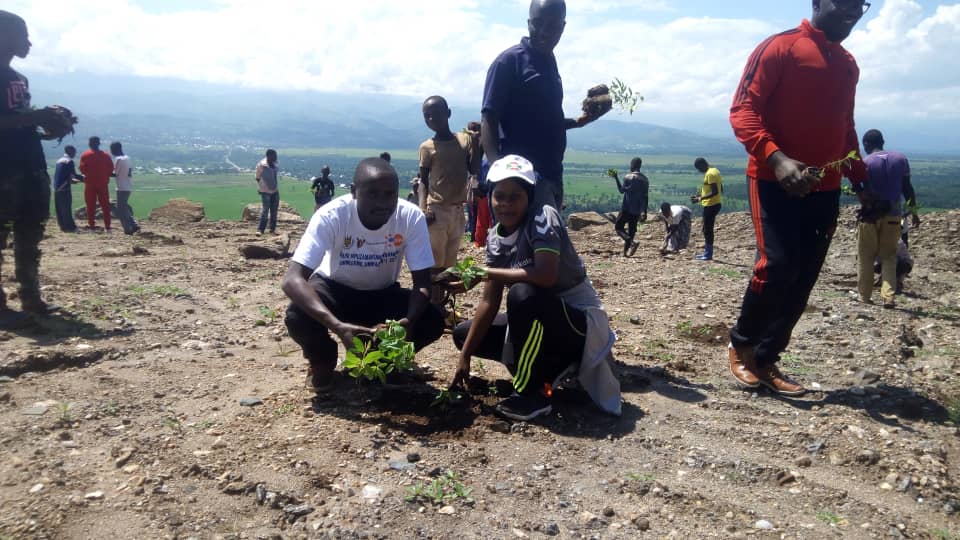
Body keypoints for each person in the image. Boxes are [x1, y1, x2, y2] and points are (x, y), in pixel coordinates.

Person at [726, 0, 869, 396]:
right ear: (819, 2)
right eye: (845, 4)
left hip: (825, 188)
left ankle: (767, 357)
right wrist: (778, 158)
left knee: (803, 276)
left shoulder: (847, 63)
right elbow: (743, 110)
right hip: (774, 181)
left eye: (861, 6)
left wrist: (860, 179)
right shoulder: (779, 48)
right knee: (777, 265)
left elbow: (846, 127)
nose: (854, 12)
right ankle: (742, 345)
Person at [450, 155, 621, 421]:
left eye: (515, 196)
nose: (506, 204)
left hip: (578, 323)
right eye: (500, 196)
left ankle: (533, 394)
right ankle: (547, 372)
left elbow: (545, 276)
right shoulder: (496, 238)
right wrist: (465, 357)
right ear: (490, 198)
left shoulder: (543, 218)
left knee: (522, 293)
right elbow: (489, 301)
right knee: (464, 333)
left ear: (529, 197)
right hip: (542, 322)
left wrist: (482, 272)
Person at [282, 158, 444, 395]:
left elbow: (422, 281)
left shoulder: (410, 216)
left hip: (383, 294)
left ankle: (384, 361)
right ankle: (322, 361)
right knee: (298, 314)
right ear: (354, 192)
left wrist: (408, 321)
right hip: (336, 290)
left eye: (389, 194)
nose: (382, 202)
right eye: (373, 194)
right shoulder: (332, 215)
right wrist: (337, 326)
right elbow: (292, 279)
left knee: (432, 318)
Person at [481, 0, 608, 210]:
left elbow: (545, 119)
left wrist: (578, 121)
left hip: (551, 172)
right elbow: (489, 118)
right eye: (537, 24)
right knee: (532, 241)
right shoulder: (509, 62)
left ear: (563, 27)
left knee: (545, 239)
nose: (544, 32)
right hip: (521, 177)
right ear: (528, 22)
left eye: (552, 26)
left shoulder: (549, 61)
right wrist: (501, 174)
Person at [0, 10, 73, 318]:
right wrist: (35, 116)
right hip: (4, 168)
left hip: (30, 164)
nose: (29, 42)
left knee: (31, 231)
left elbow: (16, 121)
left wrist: (48, 127)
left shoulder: (19, 78)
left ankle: (31, 297)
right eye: (22, 34)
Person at [418, 96, 480, 304]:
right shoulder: (427, 147)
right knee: (435, 263)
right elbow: (423, 181)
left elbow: (474, 169)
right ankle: (434, 306)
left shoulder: (464, 140)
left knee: (450, 262)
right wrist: (422, 208)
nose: (431, 118)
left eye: (436, 113)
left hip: (457, 210)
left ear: (448, 114)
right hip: (436, 209)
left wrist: (477, 142)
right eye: (427, 115)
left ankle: (442, 305)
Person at [858, 129, 919, 307]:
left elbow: (861, 191)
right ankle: (888, 296)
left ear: (866, 144)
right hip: (894, 215)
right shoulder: (900, 159)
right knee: (889, 256)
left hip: (870, 216)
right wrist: (913, 212)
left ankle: (865, 296)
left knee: (866, 255)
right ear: (883, 141)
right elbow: (908, 189)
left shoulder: (865, 162)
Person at [609, 157, 648, 257]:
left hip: (626, 208)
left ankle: (632, 243)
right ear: (639, 166)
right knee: (631, 231)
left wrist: (616, 177)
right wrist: (644, 212)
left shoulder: (628, 177)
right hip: (637, 210)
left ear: (632, 165)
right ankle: (625, 253)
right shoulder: (645, 179)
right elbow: (645, 197)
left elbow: (621, 190)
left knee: (618, 228)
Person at [78, 136, 114, 231]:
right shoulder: (106, 156)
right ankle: (107, 226)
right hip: (103, 184)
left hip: (90, 184)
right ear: (99, 143)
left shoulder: (85, 155)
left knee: (90, 205)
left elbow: (82, 169)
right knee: (105, 205)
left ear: (89, 144)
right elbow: (111, 169)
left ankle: (92, 226)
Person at [690, 157, 722, 260]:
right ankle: (707, 252)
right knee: (706, 229)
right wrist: (700, 195)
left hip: (711, 205)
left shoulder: (709, 174)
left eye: (699, 168)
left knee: (708, 230)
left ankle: (708, 254)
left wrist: (700, 198)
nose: (699, 171)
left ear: (702, 165)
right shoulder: (715, 170)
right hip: (714, 203)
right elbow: (719, 188)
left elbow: (714, 191)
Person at [53, 145, 83, 232]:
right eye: (74, 152)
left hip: (57, 187)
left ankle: (62, 225)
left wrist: (72, 181)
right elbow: (74, 175)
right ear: (71, 151)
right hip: (64, 188)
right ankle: (70, 227)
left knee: (59, 208)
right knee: (66, 207)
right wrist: (86, 179)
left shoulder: (59, 160)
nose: (75, 154)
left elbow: (64, 175)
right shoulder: (69, 161)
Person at [110, 141, 139, 235]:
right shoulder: (127, 158)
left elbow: (115, 174)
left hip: (121, 187)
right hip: (128, 186)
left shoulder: (118, 159)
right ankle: (133, 224)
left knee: (121, 210)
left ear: (115, 149)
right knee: (124, 207)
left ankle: (127, 228)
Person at [255, 149, 280, 235]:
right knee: (265, 210)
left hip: (275, 190)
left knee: (274, 211)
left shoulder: (275, 164)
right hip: (265, 191)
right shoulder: (261, 165)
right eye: (274, 155)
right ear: (269, 156)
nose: (276, 157)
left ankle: (272, 229)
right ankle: (260, 229)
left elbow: (275, 176)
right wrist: (262, 187)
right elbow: (257, 177)